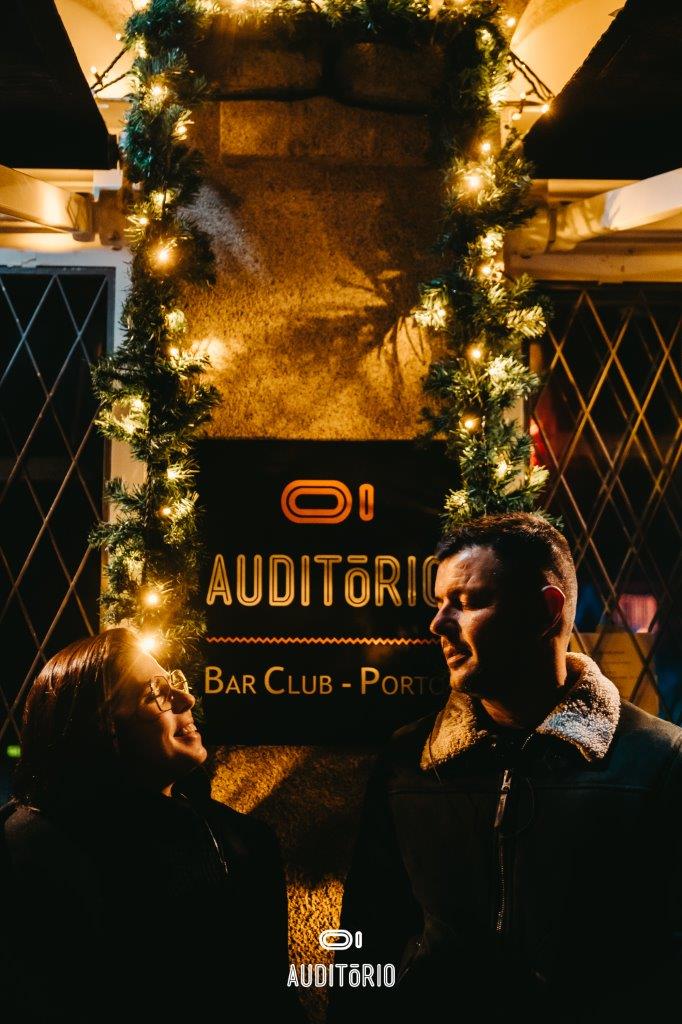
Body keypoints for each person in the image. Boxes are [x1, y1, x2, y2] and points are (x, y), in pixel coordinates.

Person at [329, 513, 682, 1024]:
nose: (438, 624)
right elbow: (367, 936)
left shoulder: (657, 760)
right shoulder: (409, 760)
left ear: (547, 610)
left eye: (467, 601)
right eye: (439, 603)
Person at [0, 627, 305, 1023]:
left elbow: (271, 998)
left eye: (175, 681)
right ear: (101, 727)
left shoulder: (244, 844)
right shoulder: (24, 850)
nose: (188, 698)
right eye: (156, 693)